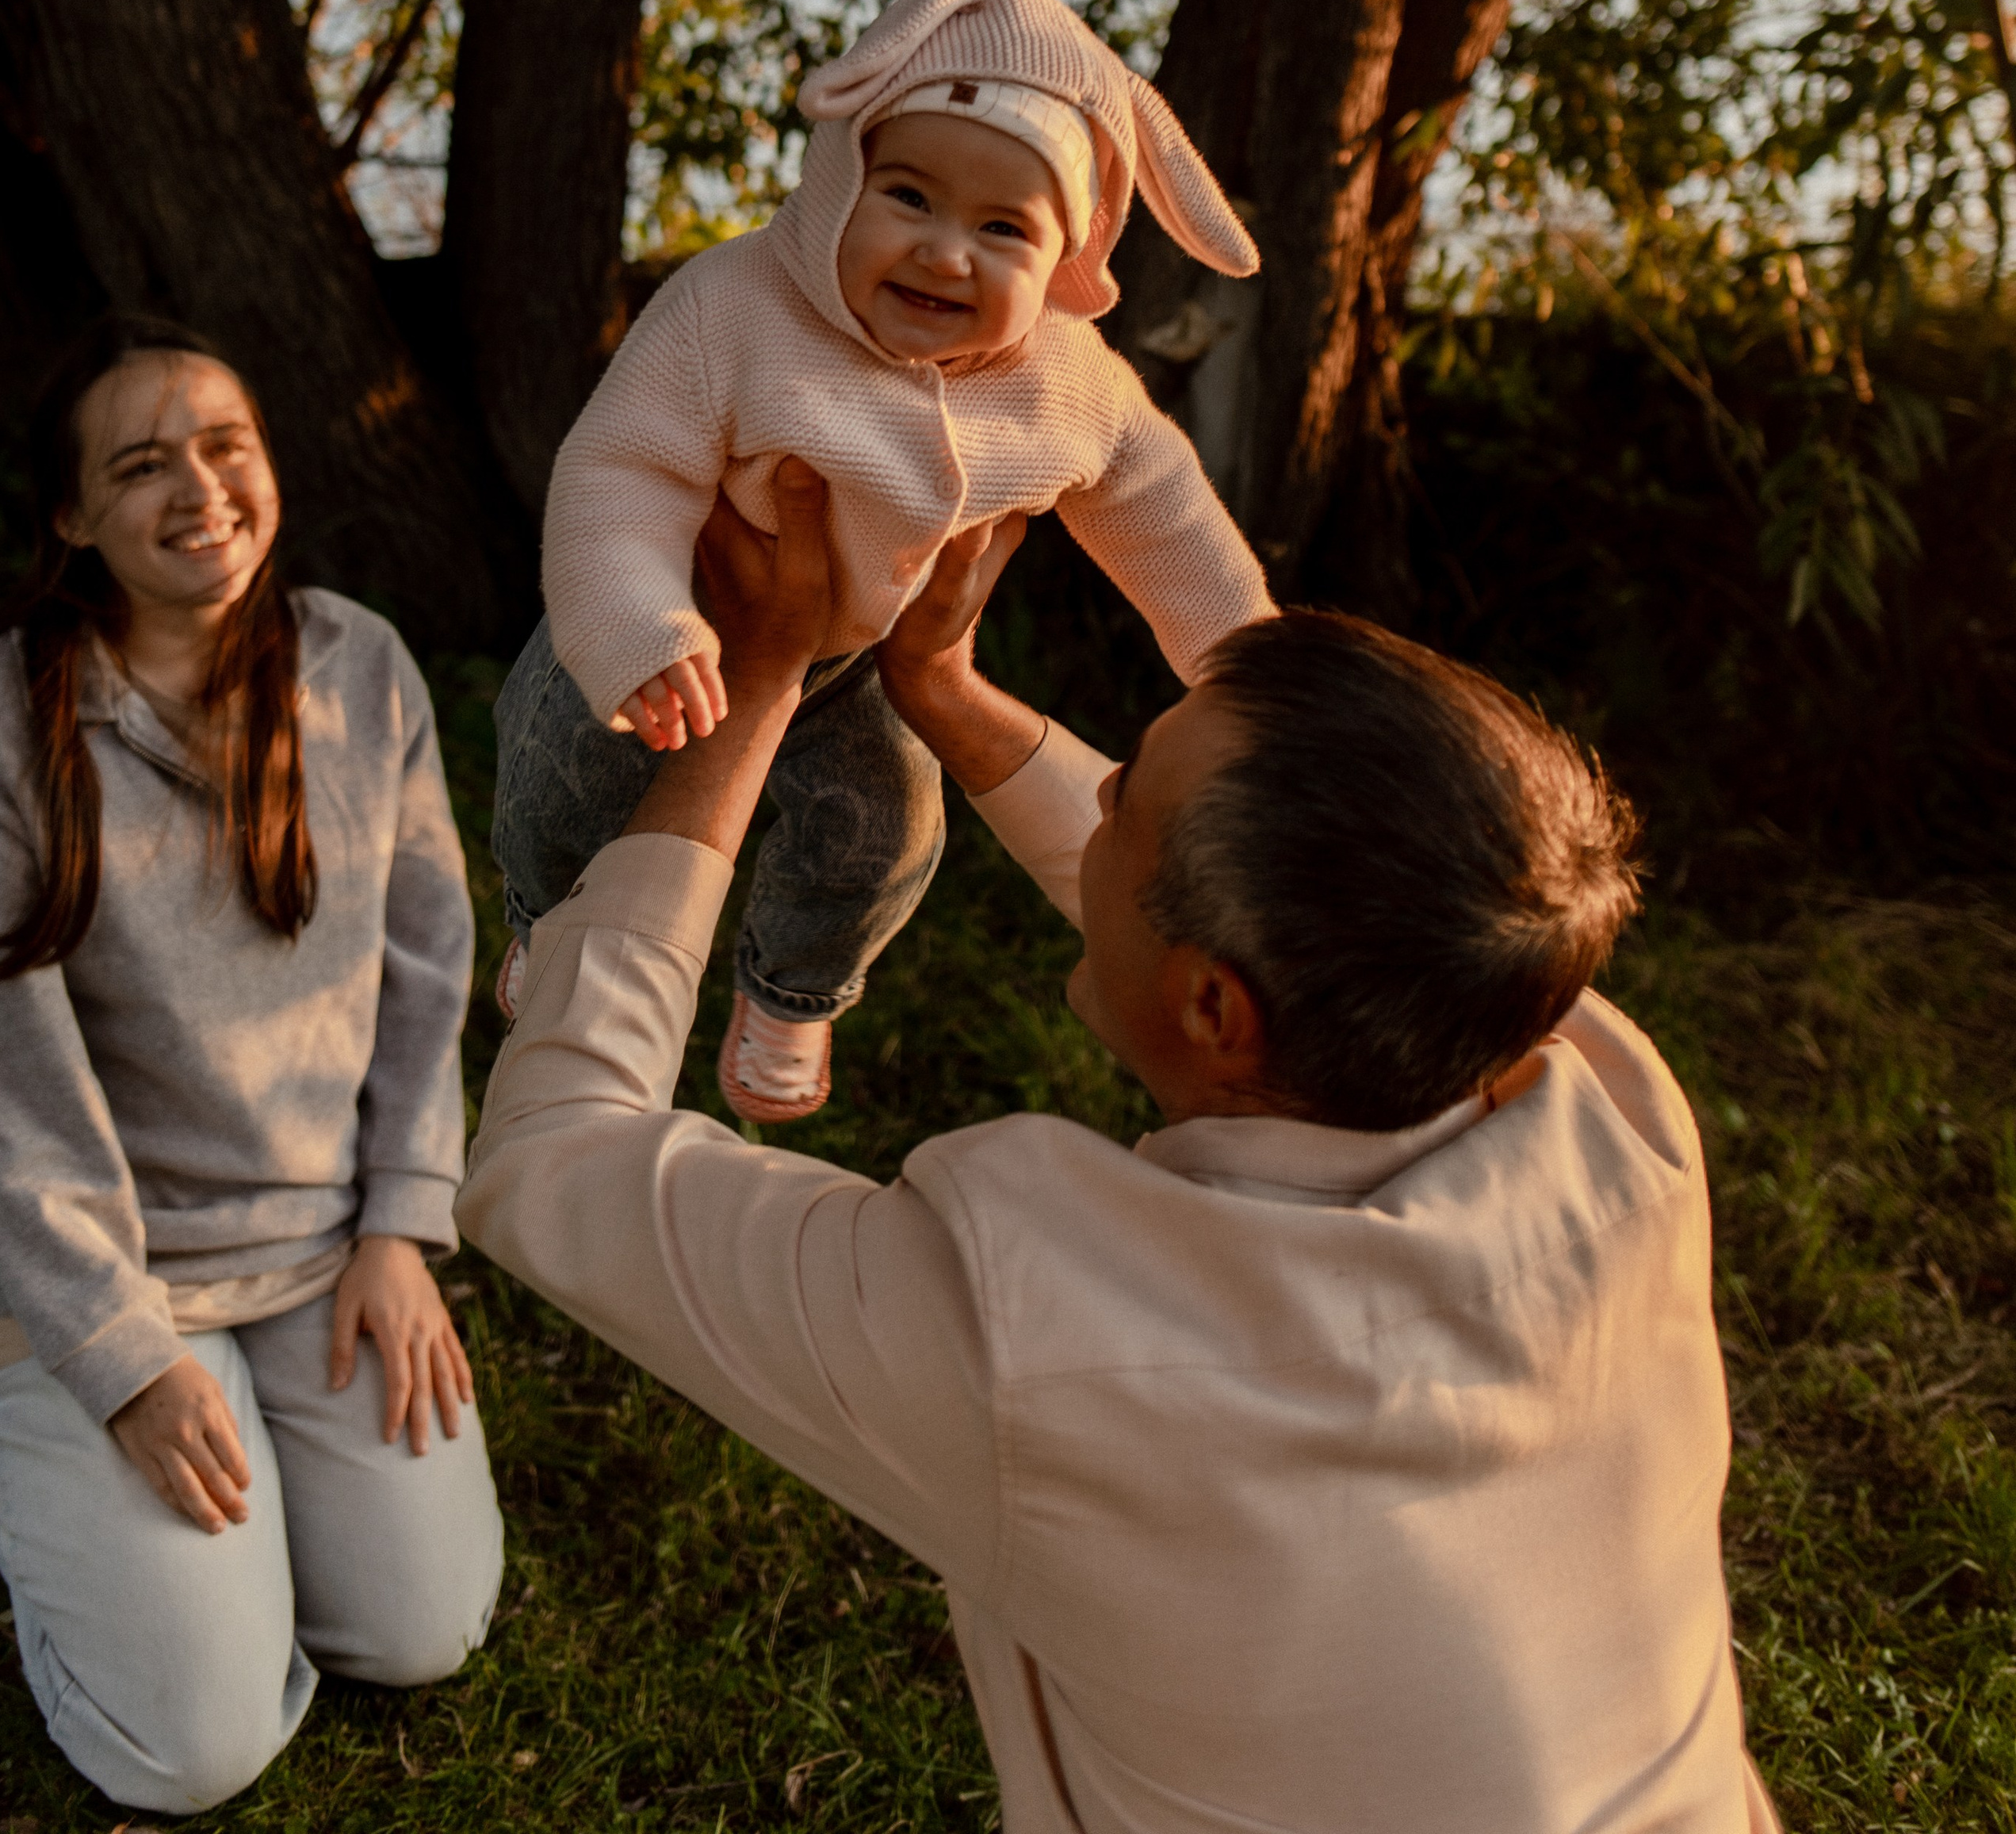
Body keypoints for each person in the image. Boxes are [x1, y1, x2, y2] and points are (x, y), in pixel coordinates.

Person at [460, 458, 1780, 1833]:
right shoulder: (1607, 1106)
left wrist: (765, 670)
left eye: (1121, 797)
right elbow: (1271, 912)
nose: (1092, 800)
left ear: (1216, 1007)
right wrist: (950, 699)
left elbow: (553, 1155)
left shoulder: (1037, 1330)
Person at [492, 0, 1272, 1124]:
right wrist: (634, 620)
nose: (945, 252)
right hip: (677, 614)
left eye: (1003, 228)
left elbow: (1163, 512)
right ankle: (550, 929)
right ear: (836, 181)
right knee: (569, 775)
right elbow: (624, 468)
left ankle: (795, 987)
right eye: (907, 196)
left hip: (862, 657)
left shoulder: (1069, 382)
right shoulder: (734, 307)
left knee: (889, 830)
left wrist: (1252, 670)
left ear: (1068, 260)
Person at [0, 316, 503, 1817]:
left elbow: (427, 963)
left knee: (423, 1631)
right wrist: (127, 1363)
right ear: (76, 517)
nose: (199, 487)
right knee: (189, 1755)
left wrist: (401, 1225)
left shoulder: (359, 664)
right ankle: (34, 1473)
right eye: (141, 465)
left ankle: (250, 1509)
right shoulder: (8, 722)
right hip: (93, 1278)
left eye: (226, 445)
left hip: (317, 1254)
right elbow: (9, 1093)